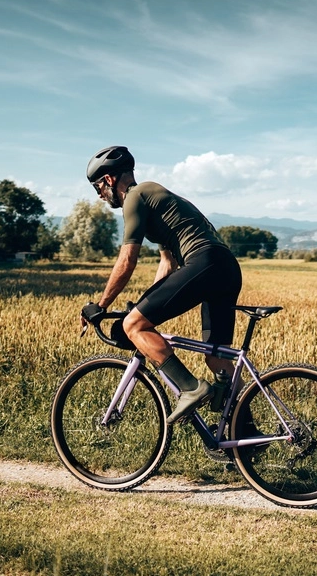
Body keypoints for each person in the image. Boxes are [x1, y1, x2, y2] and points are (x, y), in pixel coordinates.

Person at [79, 145, 242, 424]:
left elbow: (127, 259)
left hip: (204, 261)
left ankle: (191, 389)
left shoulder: (134, 197)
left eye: (98, 188)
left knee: (133, 326)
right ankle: (246, 434)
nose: (99, 196)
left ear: (109, 180)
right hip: (225, 267)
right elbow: (168, 264)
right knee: (218, 360)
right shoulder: (157, 197)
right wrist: (143, 302)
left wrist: (101, 305)